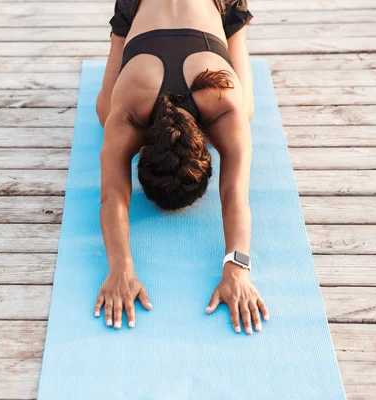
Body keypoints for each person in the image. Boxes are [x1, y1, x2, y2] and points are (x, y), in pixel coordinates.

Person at [93, 0, 269, 335]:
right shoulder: (128, 111)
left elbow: (112, 195)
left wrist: (238, 270)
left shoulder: (224, 106)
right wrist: (120, 269)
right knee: (107, 109)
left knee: (243, 108)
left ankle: (232, 25)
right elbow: (234, 196)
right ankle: (131, 29)